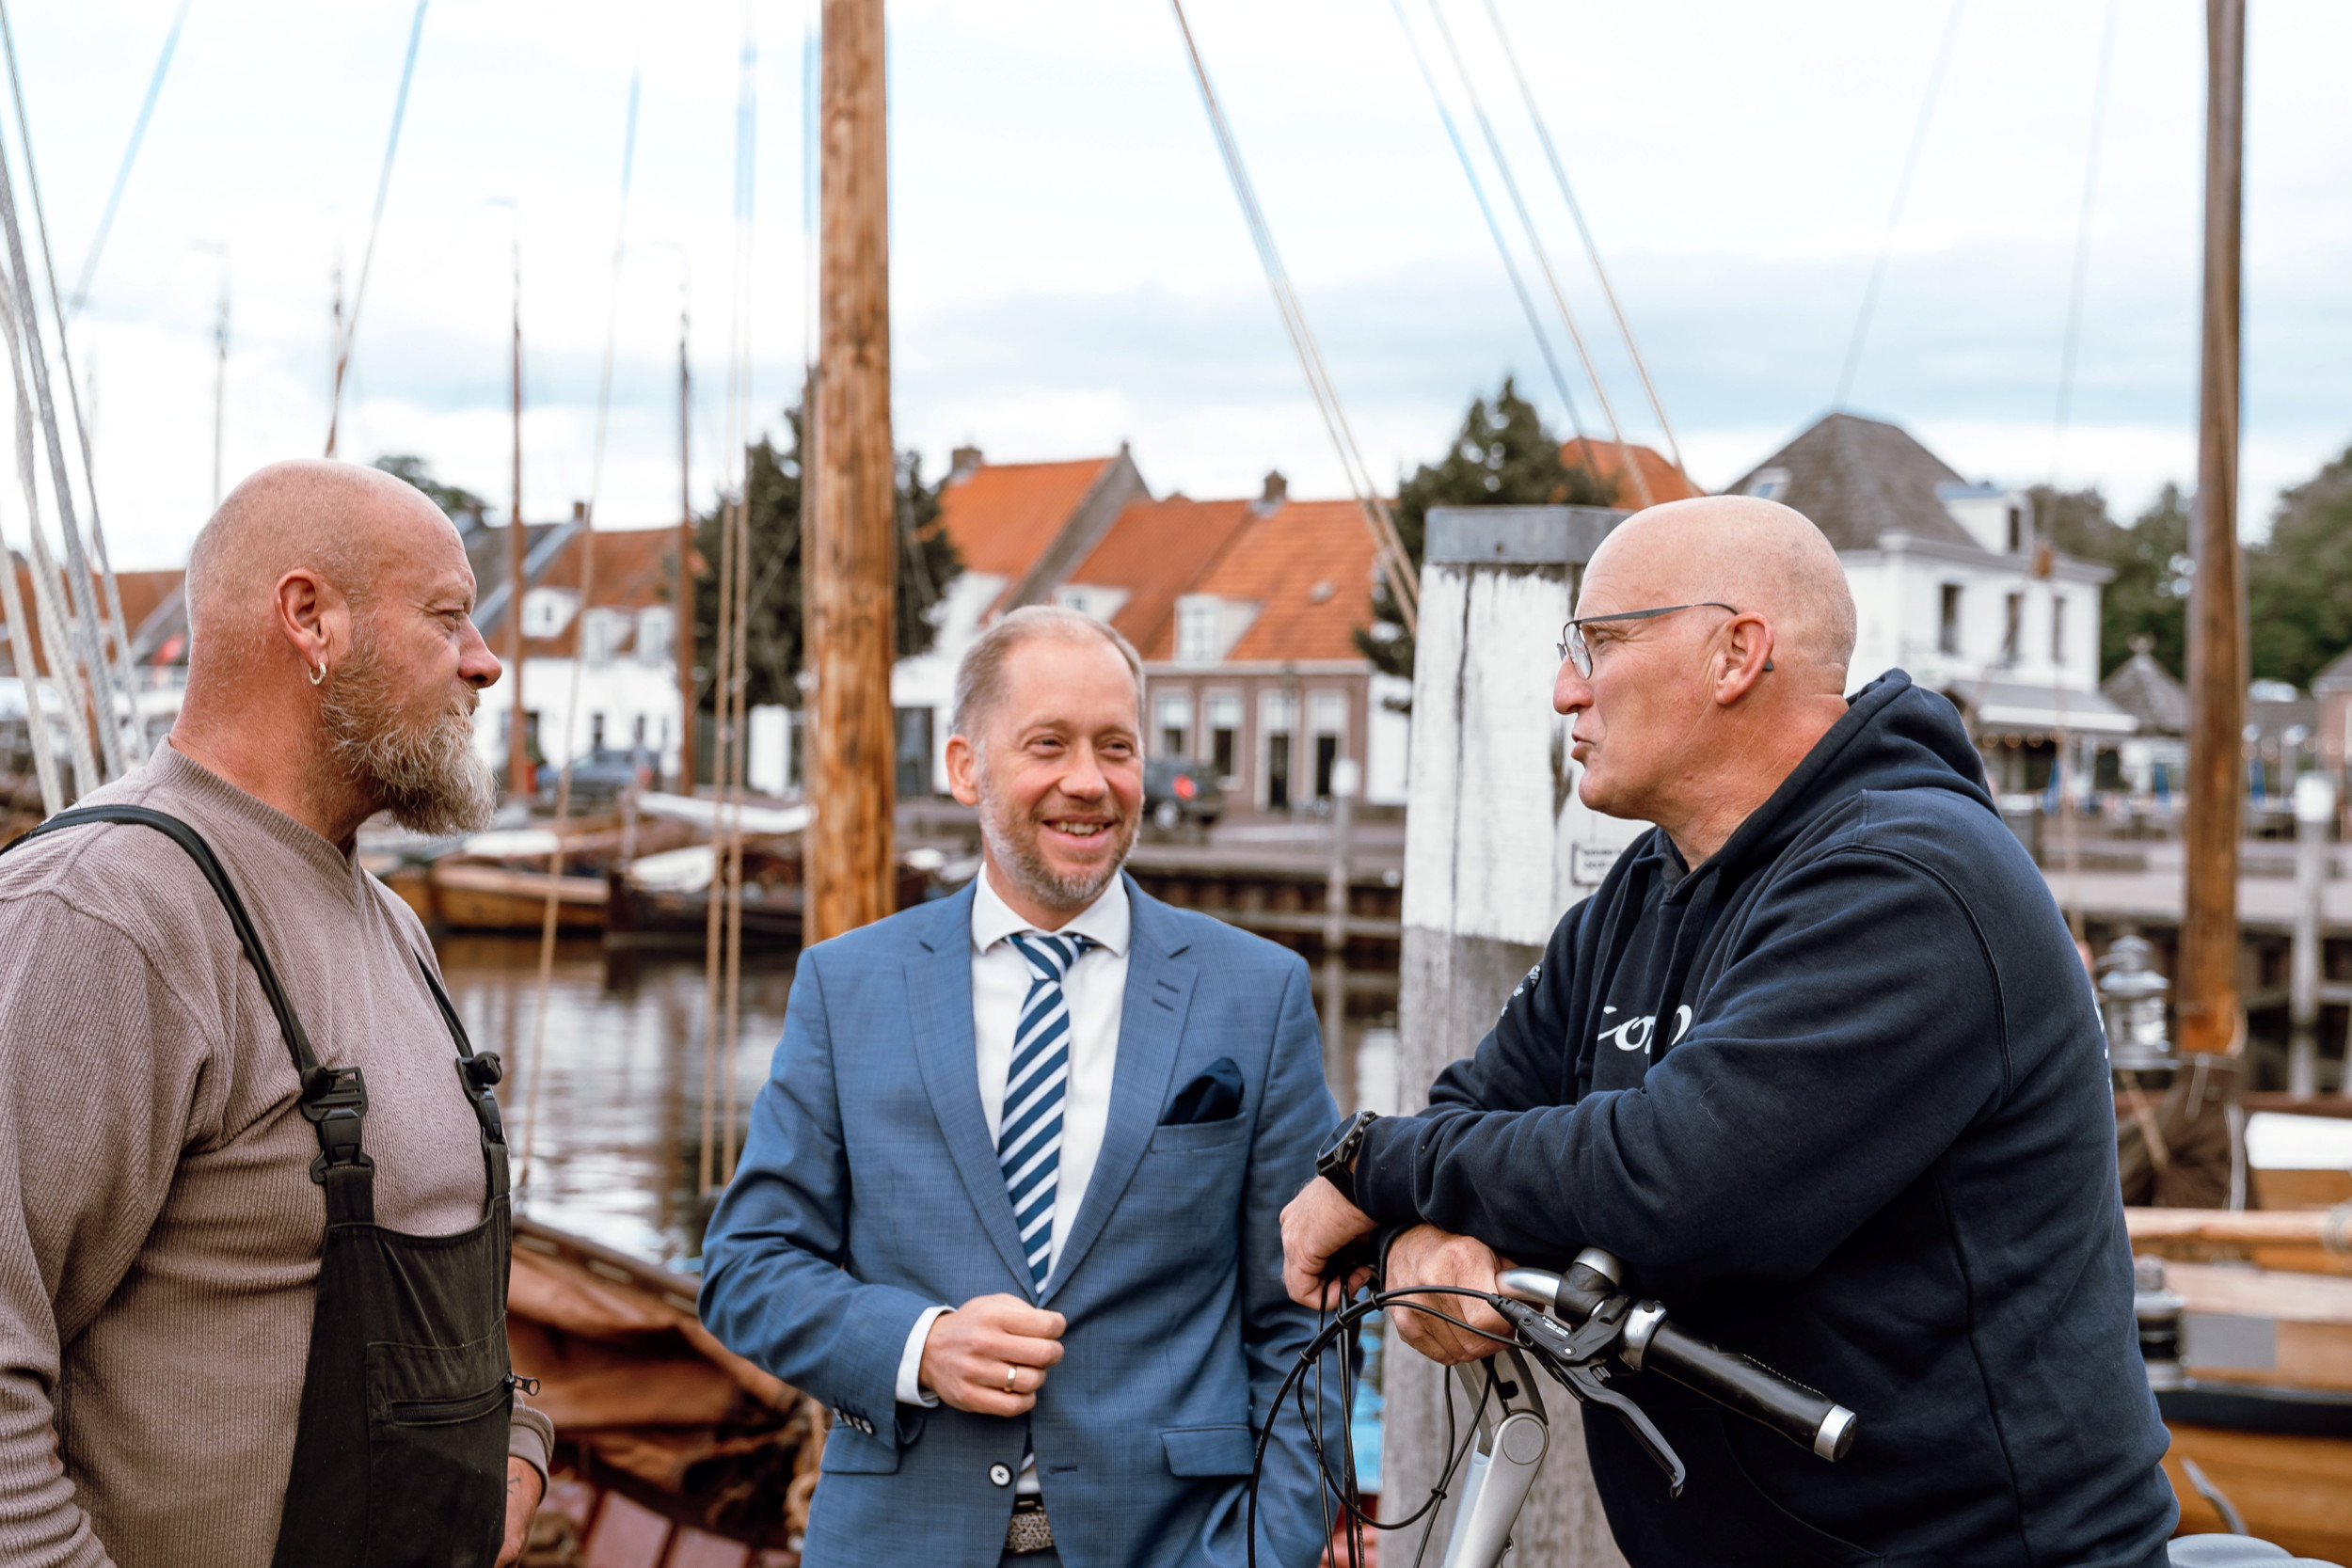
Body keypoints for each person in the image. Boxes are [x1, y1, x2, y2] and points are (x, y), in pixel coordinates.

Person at [1280, 497, 2176, 1567]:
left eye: (1597, 643)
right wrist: (1423, 1232)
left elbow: (1677, 1182)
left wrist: (1375, 1163)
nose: (1565, 686)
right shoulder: (1649, 884)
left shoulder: (1910, 883)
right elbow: (1475, 1111)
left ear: (1733, 652)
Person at [701, 607, 1342, 1568]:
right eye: (1047, 743)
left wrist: (1261, 1550)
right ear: (966, 767)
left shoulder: (1256, 993)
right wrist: (919, 1345)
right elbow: (747, 1265)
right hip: (896, 1542)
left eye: (1115, 746)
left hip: (1171, 1546)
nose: (1088, 780)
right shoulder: (847, 985)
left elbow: (1305, 1315)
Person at [0, 461, 550, 1567]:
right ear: (311, 620)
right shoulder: (106, 913)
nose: (484, 663)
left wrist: (518, 1443)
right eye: (448, 618)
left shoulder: (391, 922)